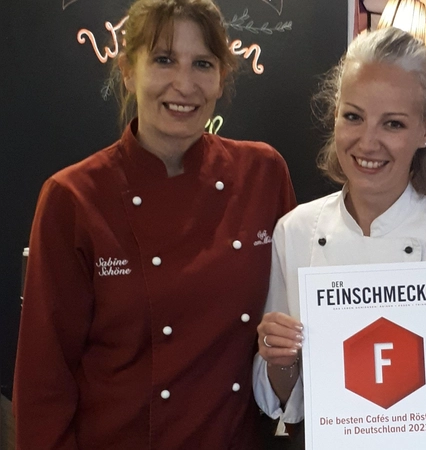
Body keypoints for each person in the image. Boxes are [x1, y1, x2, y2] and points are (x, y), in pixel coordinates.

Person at [13, 0, 296, 448]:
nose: (183, 84)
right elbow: (44, 383)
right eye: (164, 60)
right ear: (127, 70)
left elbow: (291, 332)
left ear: (221, 77)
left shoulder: (263, 174)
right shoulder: (73, 198)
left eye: (202, 63)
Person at [252, 27, 426, 450]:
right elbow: (286, 399)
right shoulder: (295, 232)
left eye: (393, 123)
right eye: (353, 116)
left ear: (425, 131)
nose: (368, 141)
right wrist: (279, 359)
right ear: (335, 116)